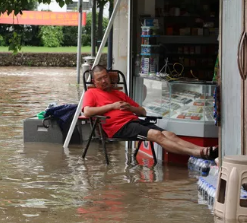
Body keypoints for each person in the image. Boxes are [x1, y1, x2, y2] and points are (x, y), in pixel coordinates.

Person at [82, 65, 217, 160]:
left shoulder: (118, 93)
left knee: (169, 134)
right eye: (100, 79)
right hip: (119, 126)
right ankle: (197, 153)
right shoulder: (91, 93)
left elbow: (142, 111)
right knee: (156, 135)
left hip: (134, 121)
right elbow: (87, 112)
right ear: (94, 81)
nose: (104, 81)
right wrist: (112, 106)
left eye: (105, 77)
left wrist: (131, 108)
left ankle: (202, 149)